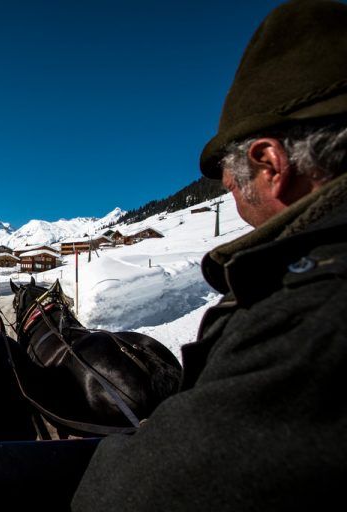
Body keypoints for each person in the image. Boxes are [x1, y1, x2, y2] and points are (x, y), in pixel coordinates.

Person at [71, 1, 347, 510]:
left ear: (269, 163)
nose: (227, 189)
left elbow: (133, 495)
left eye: (227, 172)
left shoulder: (305, 314)